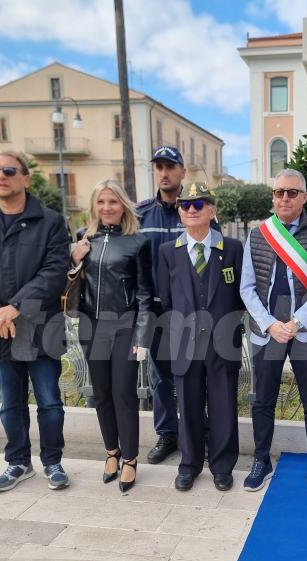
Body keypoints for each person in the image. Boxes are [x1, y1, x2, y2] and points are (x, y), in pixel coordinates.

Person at [0, 151, 71, 492]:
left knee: (49, 401)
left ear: (26, 178)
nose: (0, 176)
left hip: (40, 327)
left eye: (9, 170)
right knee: (10, 403)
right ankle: (18, 463)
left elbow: (54, 271)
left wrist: (16, 307)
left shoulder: (51, 221)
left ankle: (52, 461)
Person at [240, 168, 307, 495]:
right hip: (267, 328)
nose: (285, 197)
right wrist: (270, 323)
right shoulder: (258, 234)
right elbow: (247, 287)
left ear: (304, 197)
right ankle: (261, 460)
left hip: (305, 329)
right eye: (279, 192)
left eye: (292, 192)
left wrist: (297, 322)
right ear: (273, 196)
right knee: (262, 400)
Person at [156, 182, 245, 492]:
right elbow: (165, 299)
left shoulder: (232, 248)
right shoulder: (168, 252)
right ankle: (189, 465)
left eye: (199, 204)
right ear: (180, 213)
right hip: (185, 341)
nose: (191, 209)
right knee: (189, 405)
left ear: (212, 209)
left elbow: (240, 295)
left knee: (223, 406)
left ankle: (222, 466)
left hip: (223, 341)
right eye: (185, 205)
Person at [70, 179, 153, 493]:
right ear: (94, 206)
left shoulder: (137, 242)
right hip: (92, 326)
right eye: (101, 202)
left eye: (113, 202)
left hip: (125, 326)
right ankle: (111, 453)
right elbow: (72, 284)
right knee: (101, 393)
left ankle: (130, 458)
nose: (107, 208)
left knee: (123, 393)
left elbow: (146, 293)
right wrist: (75, 260)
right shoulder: (84, 239)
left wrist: (142, 336)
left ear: (123, 205)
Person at [135, 146, 186, 465]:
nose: (164, 172)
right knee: (161, 377)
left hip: (191, 313)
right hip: (154, 312)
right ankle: (167, 434)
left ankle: (198, 431)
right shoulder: (141, 214)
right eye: (159, 167)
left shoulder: (196, 209)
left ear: (183, 172)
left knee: (196, 375)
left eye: (170, 166)